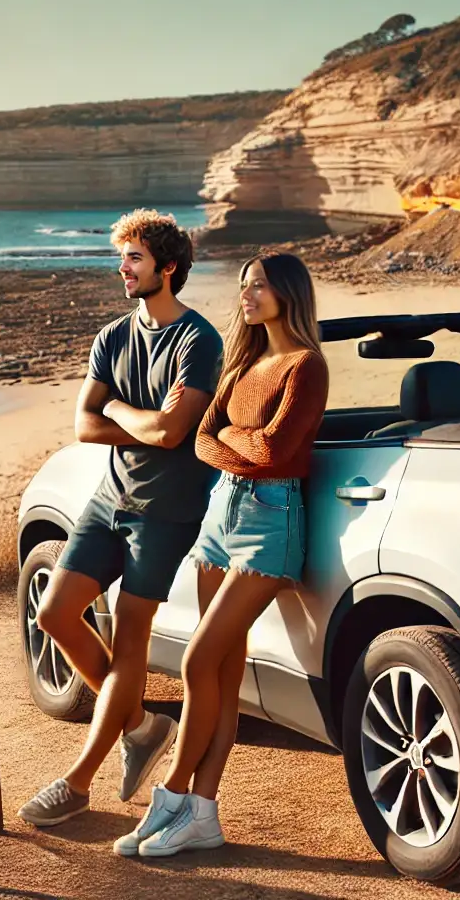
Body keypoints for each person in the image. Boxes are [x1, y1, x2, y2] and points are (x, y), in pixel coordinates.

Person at [117, 250, 328, 858]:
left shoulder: (304, 366)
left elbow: (274, 451)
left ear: (287, 292)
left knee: (195, 662)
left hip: (269, 521)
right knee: (222, 675)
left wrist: (235, 441)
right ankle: (205, 815)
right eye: (243, 285)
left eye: (259, 285)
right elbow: (206, 444)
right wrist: (241, 442)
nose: (247, 294)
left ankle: (174, 793)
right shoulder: (243, 363)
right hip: (221, 515)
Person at [17, 209, 224, 827]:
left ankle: (78, 783)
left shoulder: (198, 341)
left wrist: (120, 409)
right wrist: (139, 418)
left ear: (168, 268)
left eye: (133, 258)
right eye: (122, 257)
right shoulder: (111, 336)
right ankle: (141, 723)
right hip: (110, 500)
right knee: (54, 612)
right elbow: (85, 425)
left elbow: (171, 431)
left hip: (167, 512)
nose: (122, 268)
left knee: (131, 638)